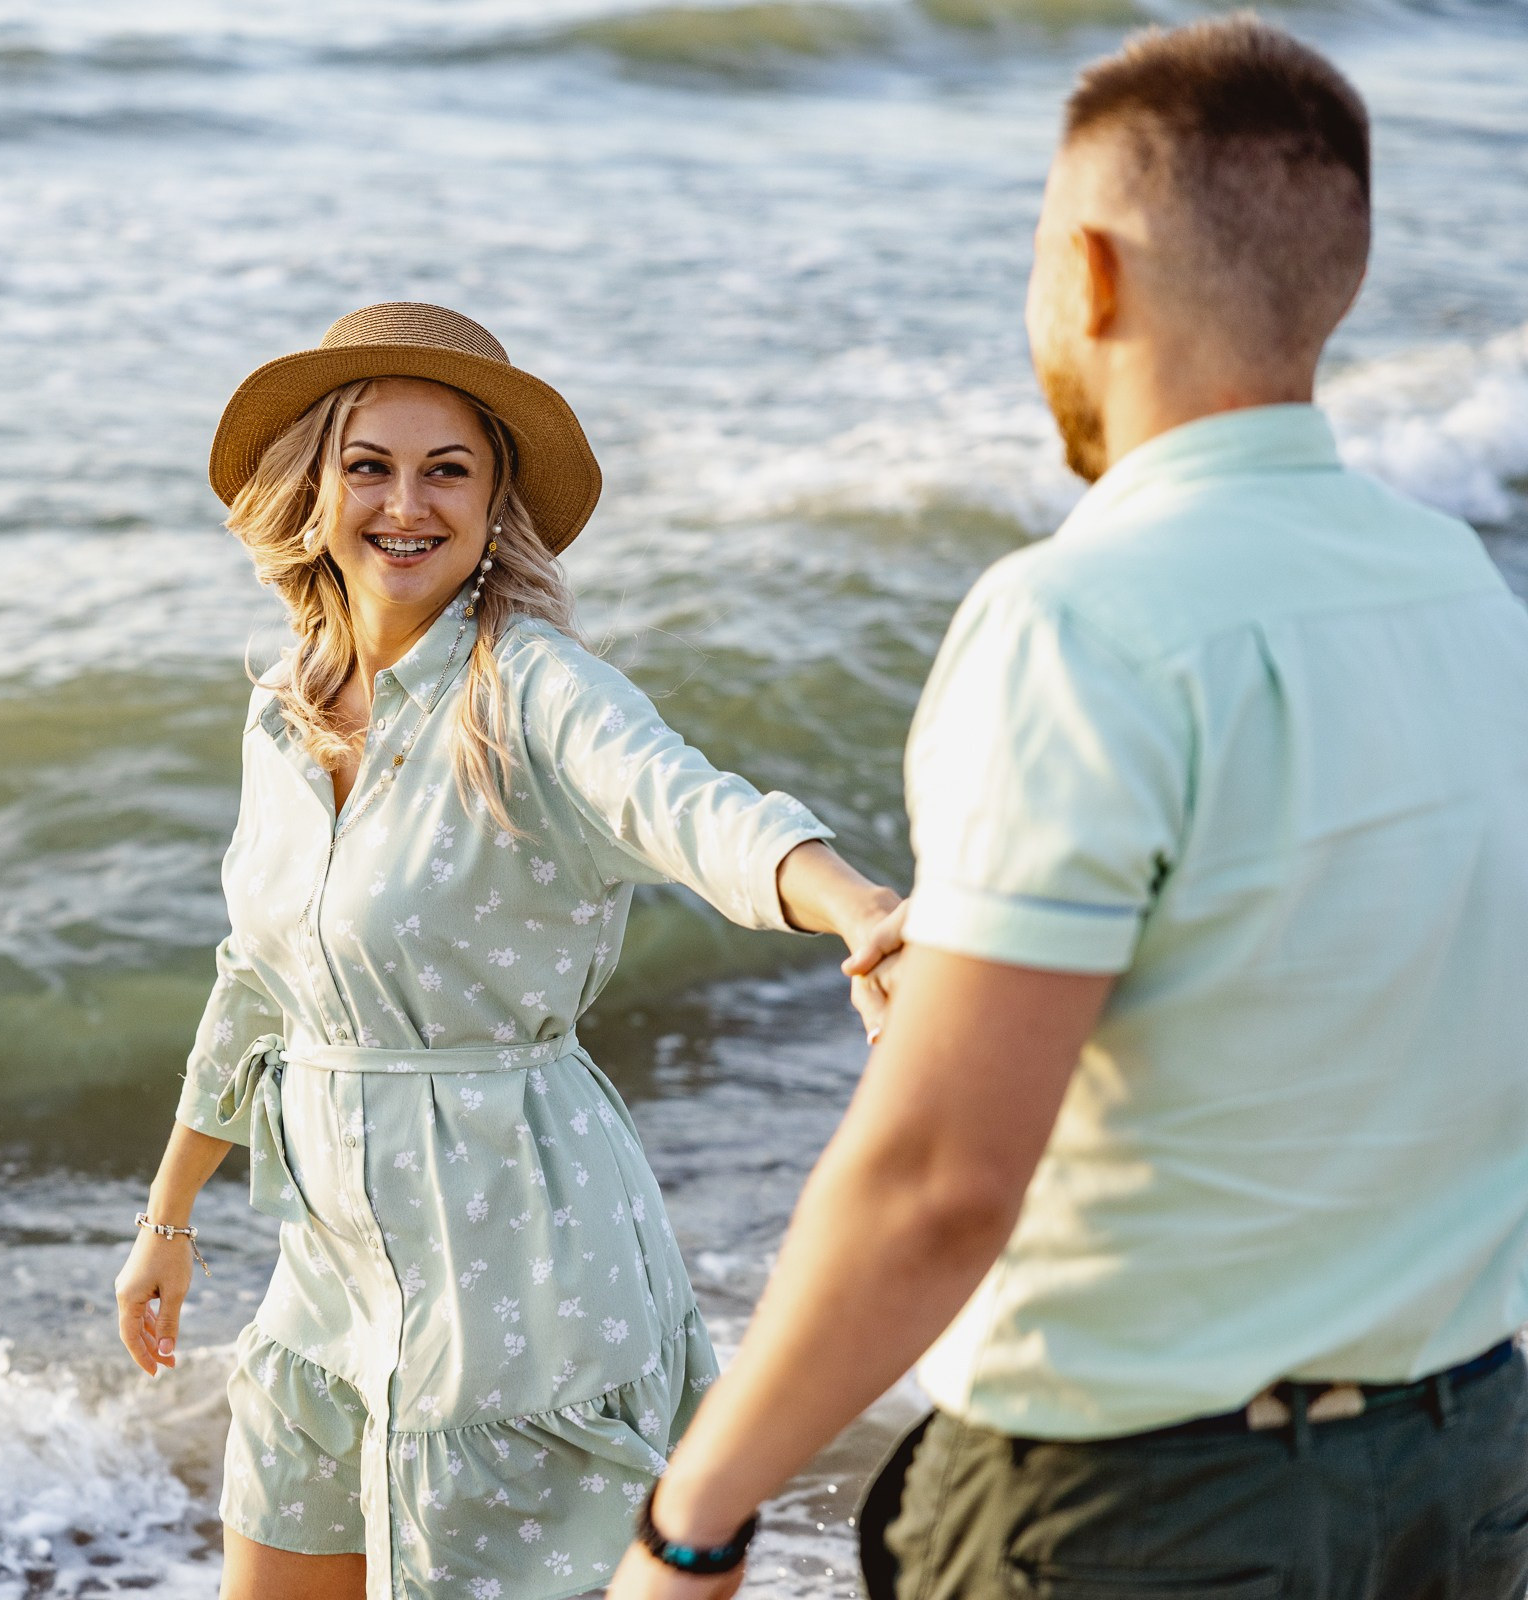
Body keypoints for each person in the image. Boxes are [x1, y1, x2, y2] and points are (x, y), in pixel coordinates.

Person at [610, 18, 1528, 1600]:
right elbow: (1366, 987)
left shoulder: (1074, 621)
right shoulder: (1463, 590)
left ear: (1089, 276)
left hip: (1142, 1512)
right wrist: (1000, 986)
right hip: (1463, 1476)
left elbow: (940, 1185)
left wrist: (691, 1526)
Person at [112, 301, 903, 1600]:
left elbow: (691, 806)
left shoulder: (534, 688)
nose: (404, 504)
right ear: (315, 488)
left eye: (447, 470)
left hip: (515, 1269)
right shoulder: (286, 712)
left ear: (495, 504)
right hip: (329, 1274)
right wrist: (170, 1215)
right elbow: (256, 982)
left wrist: (856, 906)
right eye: (369, 466)